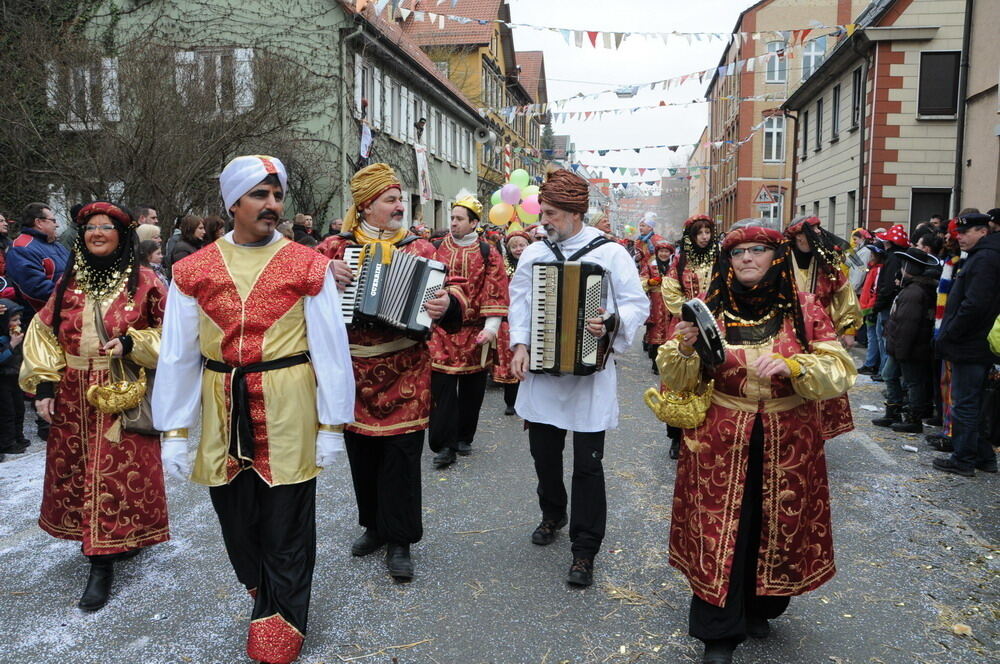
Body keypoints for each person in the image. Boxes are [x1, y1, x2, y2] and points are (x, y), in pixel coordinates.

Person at [153, 155, 355, 664]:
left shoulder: (307, 265)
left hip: (288, 404)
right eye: (260, 195)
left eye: (277, 195)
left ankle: (280, 620)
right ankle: (261, 589)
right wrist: (174, 429)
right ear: (233, 203)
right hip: (223, 406)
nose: (272, 205)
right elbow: (178, 352)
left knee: (287, 521)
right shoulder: (192, 269)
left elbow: (330, 347)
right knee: (236, 521)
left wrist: (332, 423)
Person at [659, 224, 855, 664]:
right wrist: (685, 351)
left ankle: (762, 603)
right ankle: (718, 633)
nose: (747, 258)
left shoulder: (802, 307)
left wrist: (793, 364)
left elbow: (840, 368)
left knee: (774, 522)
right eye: (738, 252)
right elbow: (677, 379)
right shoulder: (708, 307)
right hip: (720, 437)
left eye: (757, 250)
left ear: (775, 257)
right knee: (722, 526)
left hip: (790, 435)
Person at [317, 163, 466, 582]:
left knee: (401, 457)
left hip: (406, 367)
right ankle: (374, 526)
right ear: (366, 206)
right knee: (361, 455)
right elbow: (301, 294)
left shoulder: (420, 249)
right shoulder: (333, 248)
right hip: (352, 370)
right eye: (391, 200)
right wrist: (325, 277)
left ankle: (400, 539)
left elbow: (452, 292)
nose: (401, 206)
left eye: (401, 199)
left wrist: (446, 306)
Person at [19, 201, 169, 611]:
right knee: (82, 472)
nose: (97, 233)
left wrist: (133, 344)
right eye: (89, 228)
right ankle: (99, 548)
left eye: (106, 227)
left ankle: (101, 561)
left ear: (123, 236)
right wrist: (46, 386)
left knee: (119, 474)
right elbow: (44, 333)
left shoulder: (145, 281)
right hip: (73, 394)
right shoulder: (68, 282)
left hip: (121, 390)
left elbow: (171, 333)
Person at [508, 169, 648, 588]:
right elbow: (519, 301)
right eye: (542, 212)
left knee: (588, 465)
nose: (543, 220)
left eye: (550, 213)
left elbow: (635, 304)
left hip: (590, 377)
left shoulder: (610, 254)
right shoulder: (534, 254)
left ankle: (585, 549)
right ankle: (553, 514)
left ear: (573, 213)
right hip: (543, 376)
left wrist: (611, 322)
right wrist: (519, 345)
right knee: (544, 457)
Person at [428, 195, 509, 468]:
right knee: (442, 389)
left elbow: (495, 290)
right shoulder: (436, 247)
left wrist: (491, 328)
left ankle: (465, 436)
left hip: (476, 332)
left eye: (460, 219)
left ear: (474, 223)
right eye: (452, 218)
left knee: (472, 389)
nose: (453, 223)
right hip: (442, 332)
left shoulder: (489, 253)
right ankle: (445, 445)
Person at [932, 212, 1000, 476]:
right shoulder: (986, 254)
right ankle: (983, 457)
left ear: (983, 231)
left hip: (971, 343)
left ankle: (963, 458)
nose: (958, 236)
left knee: (965, 404)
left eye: (965, 231)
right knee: (976, 402)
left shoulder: (985, 258)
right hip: (977, 342)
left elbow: (975, 304)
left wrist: (951, 332)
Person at [785, 216, 862, 440]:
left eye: (820, 229)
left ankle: (817, 433)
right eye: (813, 230)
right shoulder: (779, 261)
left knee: (819, 379)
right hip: (786, 332)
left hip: (820, 334)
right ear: (798, 235)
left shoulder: (826, 264)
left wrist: (848, 329)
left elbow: (844, 294)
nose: (819, 233)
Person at [660, 214, 719, 459]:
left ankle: (708, 430)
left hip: (716, 324)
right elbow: (670, 292)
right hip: (685, 325)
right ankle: (676, 436)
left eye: (708, 232)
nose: (704, 237)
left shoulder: (721, 259)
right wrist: (692, 312)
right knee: (680, 379)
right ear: (691, 237)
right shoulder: (680, 263)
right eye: (700, 233)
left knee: (711, 376)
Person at [884, 248, 941, 433]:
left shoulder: (914, 293)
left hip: (907, 347)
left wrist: (901, 351)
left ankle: (913, 417)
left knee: (913, 381)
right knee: (890, 375)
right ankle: (894, 411)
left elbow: (907, 325)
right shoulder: (913, 289)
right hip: (902, 346)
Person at [870, 224, 910, 427]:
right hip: (892, 311)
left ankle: (899, 409)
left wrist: (877, 307)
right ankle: (894, 409)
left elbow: (886, 286)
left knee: (888, 358)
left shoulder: (893, 259)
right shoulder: (896, 257)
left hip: (892, 314)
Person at [493, 231, 531, 414]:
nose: (518, 249)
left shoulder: (536, 264)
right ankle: (511, 402)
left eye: (522, 245)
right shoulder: (502, 266)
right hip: (508, 319)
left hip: (531, 318)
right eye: (514, 246)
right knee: (510, 361)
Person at [6, 202, 70, 312]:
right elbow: (36, 288)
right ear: (39, 222)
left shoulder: (57, 246)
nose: (57, 225)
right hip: (42, 317)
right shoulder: (21, 248)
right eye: (53, 221)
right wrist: (71, 297)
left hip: (66, 310)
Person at [639, 239, 674, 374]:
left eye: (666, 252)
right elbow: (641, 282)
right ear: (657, 252)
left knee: (671, 332)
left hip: (671, 303)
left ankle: (668, 362)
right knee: (655, 332)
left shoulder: (673, 267)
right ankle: (656, 363)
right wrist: (650, 282)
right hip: (655, 303)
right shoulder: (650, 266)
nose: (664, 254)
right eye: (661, 251)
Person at [0, 298, 26, 459]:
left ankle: (18, 437)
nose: (18, 323)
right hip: (3, 379)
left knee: (19, 409)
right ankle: (7, 443)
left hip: (15, 377)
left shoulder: (14, 334)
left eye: (19, 319)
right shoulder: (4, 339)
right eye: (14, 320)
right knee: (6, 412)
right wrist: (12, 345)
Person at [857, 244, 886, 375]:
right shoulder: (873, 267)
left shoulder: (878, 269)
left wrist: (871, 307)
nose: (871, 256)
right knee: (872, 336)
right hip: (867, 306)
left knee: (873, 336)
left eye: (873, 254)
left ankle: (871, 363)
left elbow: (874, 291)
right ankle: (872, 363)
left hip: (870, 307)